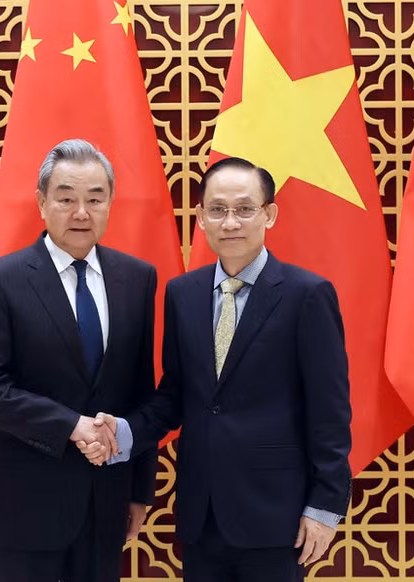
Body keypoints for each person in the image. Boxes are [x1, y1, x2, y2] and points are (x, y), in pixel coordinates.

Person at [79, 157, 352, 581]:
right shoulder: (182, 293)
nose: (231, 222)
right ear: (201, 218)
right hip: (200, 515)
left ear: (269, 214)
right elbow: (175, 395)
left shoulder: (307, 295)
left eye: (244, 209)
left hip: (276, 517)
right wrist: (123, 432)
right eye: (218, 210)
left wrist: (325, 507)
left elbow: (330, 412)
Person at [0, 139, 158, 582]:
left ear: (110, 203)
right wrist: (72, 424)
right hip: (27, 507)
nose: (81, 212)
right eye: (66, 198)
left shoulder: (136, 278)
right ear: (42, 203)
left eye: (94, 199)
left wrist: (140, 489)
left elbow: (140, 390)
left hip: (107, 502)